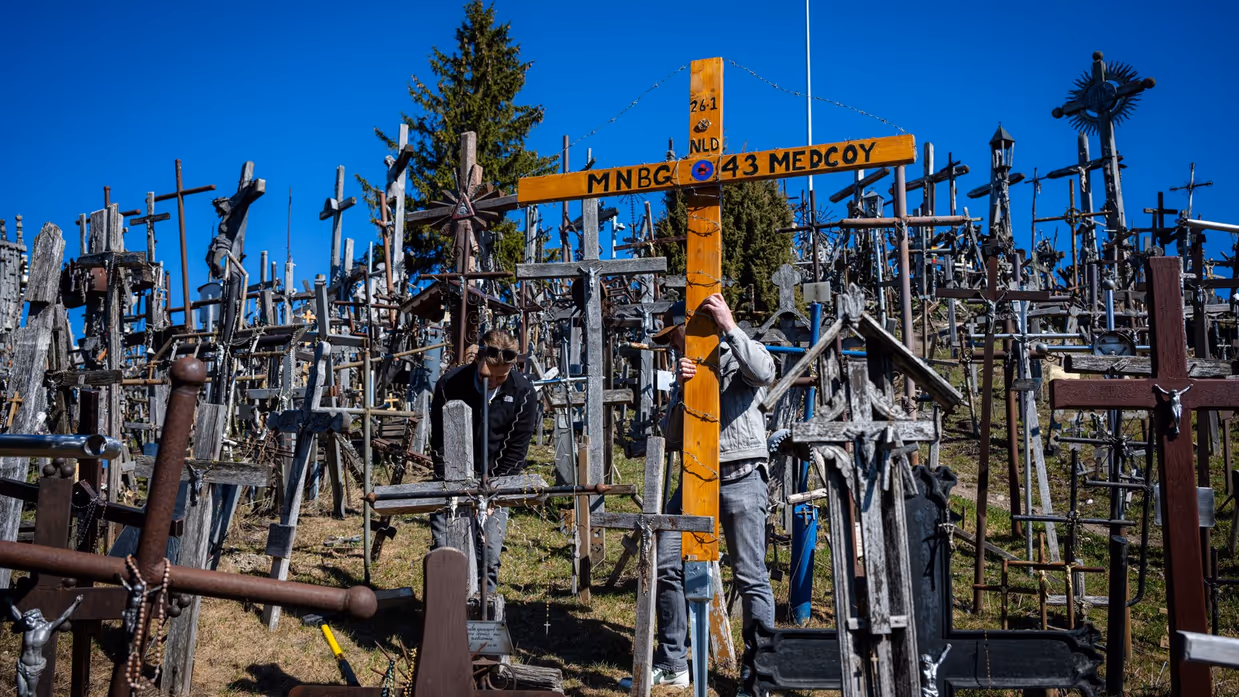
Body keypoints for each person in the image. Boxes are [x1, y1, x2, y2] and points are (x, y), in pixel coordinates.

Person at [642, 292, 777, 692]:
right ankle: (673, 662)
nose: (671, 343)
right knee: (666, 562)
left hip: (741, 475)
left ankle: (759, 675)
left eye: (674, 334)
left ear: (693, 326)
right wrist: (682, 391)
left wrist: (730, 326)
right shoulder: (683, 369)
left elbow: (765, 371)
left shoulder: (739, 351)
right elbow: (671, 437)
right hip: (695, 478)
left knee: (750, 576)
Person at [428, 329, 538, 594]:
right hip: (453, 478)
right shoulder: (450, 385)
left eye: (502, 377)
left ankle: (483, 611)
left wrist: (491, 497)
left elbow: (516, 450)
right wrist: (453, 489)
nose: (495, 383)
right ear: (478, 360)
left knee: (489, 551)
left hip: (498, 479)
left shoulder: (523, 393)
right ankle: (446, 610)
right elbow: (440, 443)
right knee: (446, 548)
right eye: (488, 375)